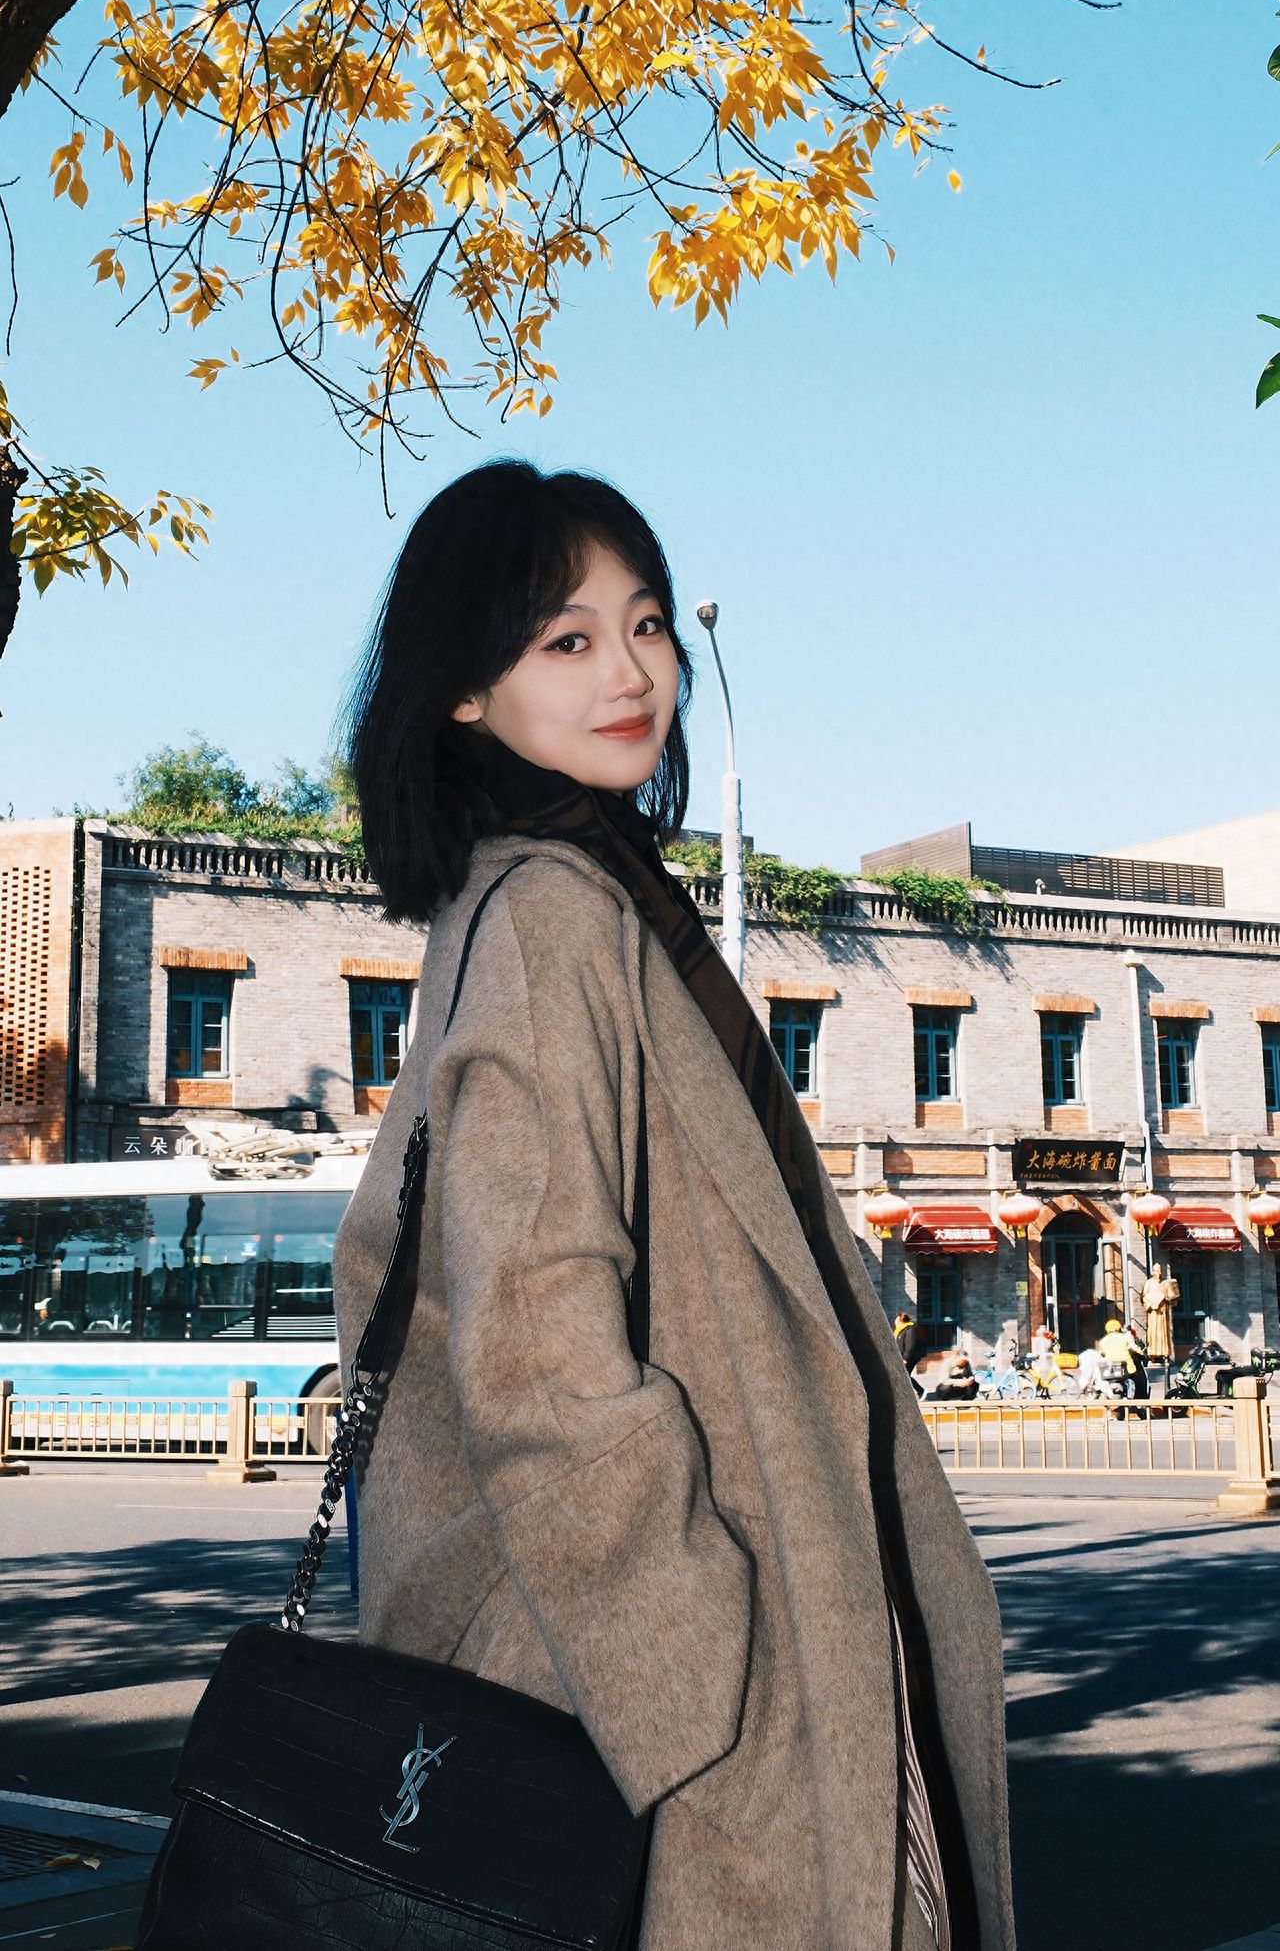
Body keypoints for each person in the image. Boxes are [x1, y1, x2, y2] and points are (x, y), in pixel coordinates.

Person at [332, 460, 1015, 1951]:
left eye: (644, 626)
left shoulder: (579, 893)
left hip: (731, 1657)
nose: (630, 671)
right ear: (460, 690)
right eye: (564, 641)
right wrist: (710, 1674)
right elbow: (536, 1350)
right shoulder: (553, 919)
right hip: (692, 1703)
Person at [893, 1308, 925, 1397]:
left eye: (896, 1321)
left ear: (901, 1321)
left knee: (904, 1375)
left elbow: (910, 1344)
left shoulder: (910, 1329)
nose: (895, 1323)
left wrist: (906, 1358)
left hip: (910, 1357)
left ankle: (921, 1391)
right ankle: (908, 1394)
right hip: (902, 1357)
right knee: (904, 1375)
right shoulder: (900, 1330)